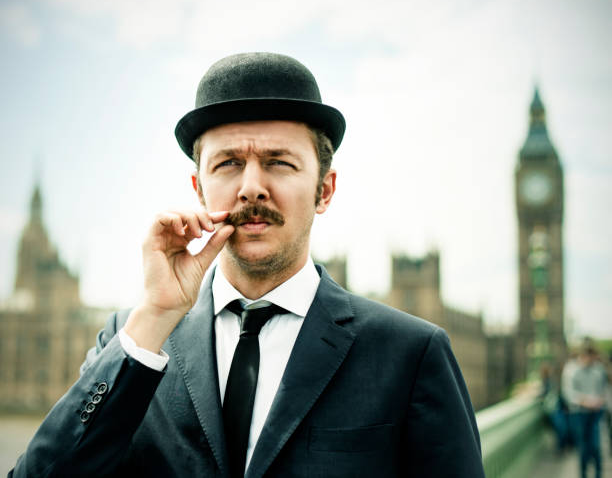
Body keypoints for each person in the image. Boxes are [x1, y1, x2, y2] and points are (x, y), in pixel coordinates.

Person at [10, 53, 484, 477]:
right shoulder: (133, 342)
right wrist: (155, 314)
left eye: (279, 162)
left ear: (325, 190)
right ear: (198, 188)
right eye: (229, 164)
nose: (251, 187)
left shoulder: (410, 354)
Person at [568, 343, 607, 478]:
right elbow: (569, 394)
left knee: (596, 446)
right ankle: (583, 474)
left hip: (595, 413)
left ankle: (598, 474)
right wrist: (584, 401)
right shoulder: (572, 371)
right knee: (583, 447)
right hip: (579, 413)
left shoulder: (598, 370)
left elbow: (603, 390)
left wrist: (599, 400)